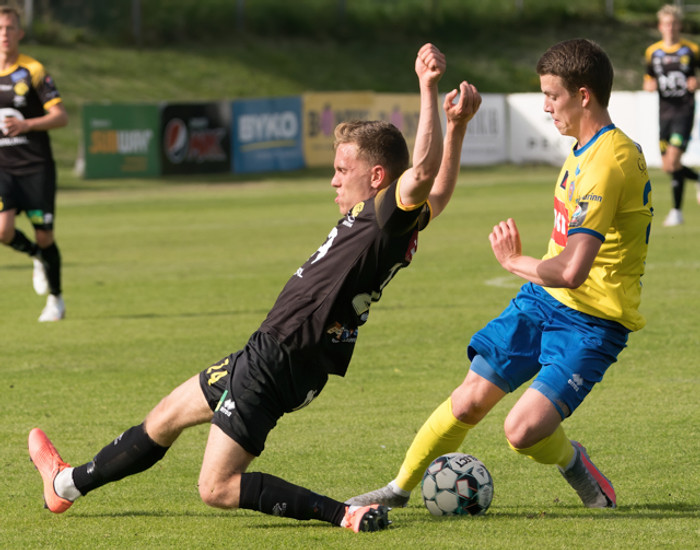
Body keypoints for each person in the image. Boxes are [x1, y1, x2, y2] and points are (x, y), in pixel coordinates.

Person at [28, 43, 483, 533]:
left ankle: (344, 514)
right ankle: (65, 484)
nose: (333, 181)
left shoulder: (385, 216)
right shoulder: (394, 221)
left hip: (282, 355)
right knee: (166, 416)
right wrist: (456, 128)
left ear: (377, 177)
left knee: (216, 487)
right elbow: (438, 194)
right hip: (275, 350)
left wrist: (427, 87)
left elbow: (423, 175)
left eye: (341, 170)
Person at [349, 38, 653, 511]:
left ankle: (574, 461)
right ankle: (398, 489)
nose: (546, 106)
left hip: (595, 319)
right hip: (543, 299)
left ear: (583, 95)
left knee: (522, 431)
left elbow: (573, 270)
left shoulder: (606, 164)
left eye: (552, 95)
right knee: (468, 399)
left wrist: (514, 262)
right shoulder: (584, 149)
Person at [0, 5, 68, 320]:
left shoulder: (33, 70)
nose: (4, 34)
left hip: (36, 168)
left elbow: (60, 117)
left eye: (10, 28)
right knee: (2, 230)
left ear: (20, 33)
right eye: (0, 28)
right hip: (3, 169)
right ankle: (35, 256)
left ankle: (56, 299)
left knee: (45, 236)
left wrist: (26, 124)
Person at [644, 4, 700, 227]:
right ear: (660, 26)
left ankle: (676, 211)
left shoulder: (691, 50)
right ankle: (696, 181)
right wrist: (649, 85)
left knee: (674, 158)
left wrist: (696, 82)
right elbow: (648, 79)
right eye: (667, 24)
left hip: (684, 111)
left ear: (679, 26)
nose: (671, 27)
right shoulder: (653, 52)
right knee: (668, 165)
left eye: (674, 23)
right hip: (664, 113)